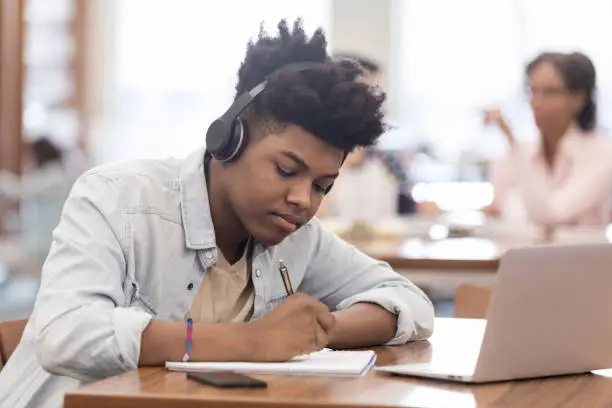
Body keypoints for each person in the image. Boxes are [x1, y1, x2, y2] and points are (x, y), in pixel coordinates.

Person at [0, 19, 434, 408]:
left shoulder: (300, 236)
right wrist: (250, 341)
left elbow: (410, 302)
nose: (304, 199)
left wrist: (314, 331)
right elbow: (66, 334)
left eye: (323, 185)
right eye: (286, 170)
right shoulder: (117, 198)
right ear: (228, 139)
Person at [485, 51, 612, 227]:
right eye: (533, 90)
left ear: (579, 97)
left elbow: (551, 216)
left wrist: (510, 138)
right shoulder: (520, 151)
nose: (536, 102)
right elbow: (497, 212)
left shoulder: (602, 154)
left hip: (580, 254)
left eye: (549, 92)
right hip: (518, 253)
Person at [318, 53, 407, 222]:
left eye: (380, 95)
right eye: (369, 96)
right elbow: (308, 218)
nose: (380, 107)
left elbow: (408, 205)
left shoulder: (389, 160)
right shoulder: (316, 156)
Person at [0, 137, 74, 275]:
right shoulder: (47, 174)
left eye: (31, 155)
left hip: (45, 243)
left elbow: (21, 190)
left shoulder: (54, 176)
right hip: (39, 241)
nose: (29, 159)